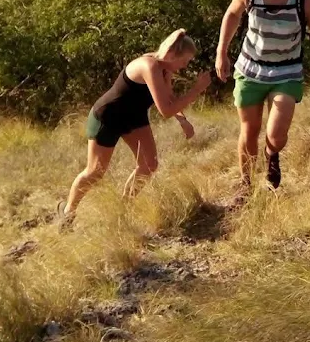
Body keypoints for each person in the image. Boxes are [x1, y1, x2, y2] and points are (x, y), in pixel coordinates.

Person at [58, 30, 210, 224]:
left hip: (134, 117)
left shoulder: (165, 69)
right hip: (108, 117)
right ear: (173, 55)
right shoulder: (149, 65)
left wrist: (182, 120)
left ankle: (122, 211)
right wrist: (197, 89)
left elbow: (169, 98)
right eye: (185, 60)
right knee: (95, 171)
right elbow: (165, 110)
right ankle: (67, 213)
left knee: (149, 164)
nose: (185, 66)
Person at [215, 0, 310, 193]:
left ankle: (272, 154)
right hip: (250, 69)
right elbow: (232, 15)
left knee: (276, 135)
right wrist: (221, 52)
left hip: (286, 71)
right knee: (249, 130)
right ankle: (245, 186)